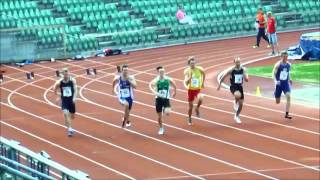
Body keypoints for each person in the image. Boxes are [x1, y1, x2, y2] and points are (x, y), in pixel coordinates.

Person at [217, 57, 249, 123]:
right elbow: (223, 77)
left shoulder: (243, 69)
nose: (238, 63)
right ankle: (235, 101)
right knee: (238, 95)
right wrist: (219, 85)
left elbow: (246, 79)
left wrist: (246, 76)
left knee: (241, 105)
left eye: (239, 62)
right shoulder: (231, 70)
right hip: (233, 86)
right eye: (237, 62)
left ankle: (236, 116)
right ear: (234, 63)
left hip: (240, 86)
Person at [150, 66, 177, 135]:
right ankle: (161, 128)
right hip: (158, 99)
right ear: (158, 72)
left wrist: (174, 91)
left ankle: (166, 109)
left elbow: (174, 84)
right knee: (159, 116)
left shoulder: (168, 79)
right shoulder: (156, 80)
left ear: (164, 72)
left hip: (166, 98)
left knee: (167, 112)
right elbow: (152, 86)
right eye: (160, 72)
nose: (161, 73)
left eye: (162, 72)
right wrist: (155, 91)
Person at [53, 68, 78, 137]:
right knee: (66, 113)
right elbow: (54, 89)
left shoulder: (72, 80)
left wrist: (74, 98)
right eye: (64, 74)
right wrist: (58, 96)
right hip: (64, 100)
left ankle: (68, 120)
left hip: (71, 100)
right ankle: (70, 129)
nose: (66, 75)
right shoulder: (59, 82)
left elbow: (76, 90)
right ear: (62, 74)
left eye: (67, 74)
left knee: (72, 116)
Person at [183, 56, 205, 125]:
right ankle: (189, 117)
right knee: (190, 107)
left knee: (201, 98)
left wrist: (203, 83)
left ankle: (197, 108)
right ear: (189, 64)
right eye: (191, 63)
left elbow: (204, 74)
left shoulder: (200, 69)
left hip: (197, 89)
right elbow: (186, 82)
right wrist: (190, 77)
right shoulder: (187, 71)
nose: (193, 64)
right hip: (190, 90)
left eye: (194, 63)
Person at [272, 51, 292, 119]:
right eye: (284, 57)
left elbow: (288, 73)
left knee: (288, 96)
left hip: (285, 84)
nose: (285, 58)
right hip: (279, 84)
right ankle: (275, 93)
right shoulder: (278, 65)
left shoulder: (289, 64)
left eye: (286, 57)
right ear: (281, 57)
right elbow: (273, 74)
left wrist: (289, 79)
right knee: (277, 101)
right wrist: (275, 81)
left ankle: (286, 114)